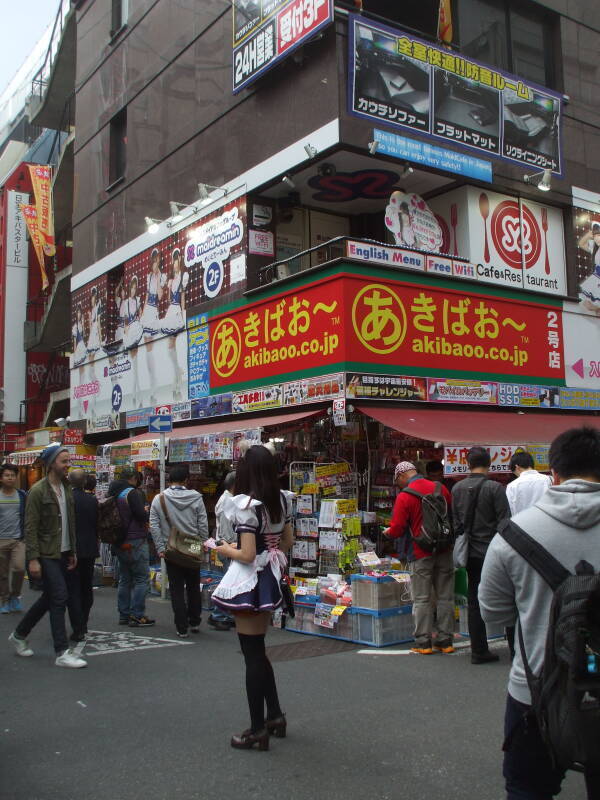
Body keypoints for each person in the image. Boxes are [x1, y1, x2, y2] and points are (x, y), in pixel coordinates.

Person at [479, 427, 600, 800]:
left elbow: (494, 614)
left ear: (555, 474)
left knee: (528, 789)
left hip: (535, 691)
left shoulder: (512, 535)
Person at [211, 446, 294, 750]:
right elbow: (287, 541)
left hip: (249, 581)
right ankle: (274, 716)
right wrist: (269, 554)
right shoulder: (280, 501)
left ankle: (257, 729)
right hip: (268, 578)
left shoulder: (246, 505)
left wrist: (223, 549)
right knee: (259, 652)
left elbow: (245, 554)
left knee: (252, 655)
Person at [8, 444, 87, 668]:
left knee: (49, 598)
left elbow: (69, 522)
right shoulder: (38, 491)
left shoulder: (67, 488)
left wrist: (72, 551)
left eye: (68, 460)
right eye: (64, 461)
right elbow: (30, 527)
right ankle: (62, 651)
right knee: (60, 597)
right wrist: (33, 559)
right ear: (52, 463)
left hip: (63, 552)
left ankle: (19, 634)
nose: (68, 464)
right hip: (45, 553)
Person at [384, 461, 454, 655]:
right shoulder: (441, 489)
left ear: (401, 476)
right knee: (445, 596)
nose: (398, 485)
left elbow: (397, 528)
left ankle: (423, 642)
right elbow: (452, 517)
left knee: (422, 598)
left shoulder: (405, 496)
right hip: (445, 549)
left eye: (397, 481)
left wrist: (388, 533)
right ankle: (445, 640)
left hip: (420, 552)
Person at [451, 446, 510, 664]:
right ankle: (514, 648)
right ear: (490, 463)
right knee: (507, 595)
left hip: (470, 553)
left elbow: (455, 522)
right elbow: (505, 522)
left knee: (474, 599)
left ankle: (479, 649)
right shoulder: (495, 488)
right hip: (494, 551)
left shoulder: (457, 489)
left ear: (468, 463)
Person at [149, 463, 208, 637]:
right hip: (194, 545)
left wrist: (160, 547)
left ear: (169, 480)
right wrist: (203, 542)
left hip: (171, 547)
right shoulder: (196, 498)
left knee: (176, 588)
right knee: (193, 585)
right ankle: (195, 621)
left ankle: (181, 627)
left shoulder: (159, 499)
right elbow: (202, 523)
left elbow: (154, 525)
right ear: (186, 480)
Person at [108, 465, 154, 627]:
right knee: (142, 579)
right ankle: (137, 614)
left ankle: (124, 614)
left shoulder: (113, 492)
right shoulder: (132, 493)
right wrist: (146, 511)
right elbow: (141, 516)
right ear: (133, 478)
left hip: (119, 541)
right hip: (135, 540)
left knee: (125, 579)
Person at [68, 469, 99, 638]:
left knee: (73, 588)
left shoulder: (67, 499)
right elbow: (96, 523)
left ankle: (77, 626)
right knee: (86, 588)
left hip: (71, 549)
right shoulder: (92, 501)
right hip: (89, 548)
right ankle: (83, 624)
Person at [209, 471, 236, 630]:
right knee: (227, 582)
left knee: (228, 581)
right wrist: (232, 546)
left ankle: (224, 614)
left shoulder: (228, 499)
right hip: (227, 546)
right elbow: (226, 531)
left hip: (226, 545)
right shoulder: (227, 501)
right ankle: (218, 615)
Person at [0, 463, 27, 614]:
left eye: (12, 475)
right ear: (1, 478)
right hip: (1, 539)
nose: (10, 478)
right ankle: (4, 600)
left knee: (19, 568)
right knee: (2, 574)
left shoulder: (22, 495)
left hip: (18, 539)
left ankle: (15, 596)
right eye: (7, 475)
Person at [506, 451, 552, 516]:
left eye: (515, 473)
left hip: (521, 524)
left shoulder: (512, 486)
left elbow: (511, 510)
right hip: (547, 521)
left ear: (517, 467)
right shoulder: (548, 480)